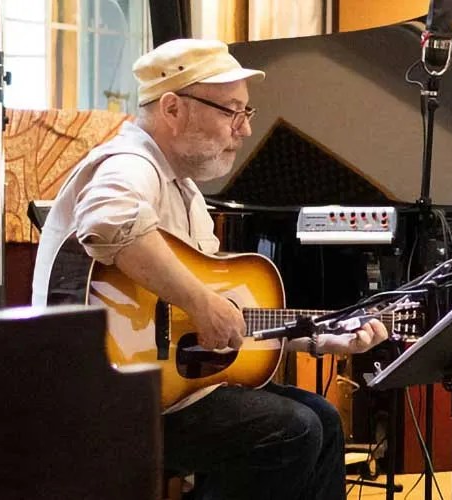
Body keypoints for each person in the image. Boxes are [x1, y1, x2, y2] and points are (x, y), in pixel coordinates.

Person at [31, 38, 388, 499]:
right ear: (173, 107)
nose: (242, 130)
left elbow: (230, 312)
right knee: (292, 429)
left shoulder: (187, 193)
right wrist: (199, 302)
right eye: (230, 111)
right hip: (107, 397)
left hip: (168, 395)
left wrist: (320, 335)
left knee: (322, 419)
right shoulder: (129, 163)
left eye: (246, 114)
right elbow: (107, 220)